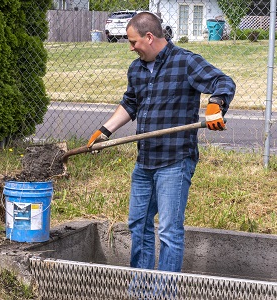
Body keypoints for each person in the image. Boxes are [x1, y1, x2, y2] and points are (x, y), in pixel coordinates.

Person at [87, 12, 236, 273]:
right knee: (138, 224)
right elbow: (130, 103)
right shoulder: (137, 68)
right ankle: (142, 288)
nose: (131, 48)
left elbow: (223, 81)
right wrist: (104, 130)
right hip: (145, 161)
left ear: (149, 36)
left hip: (175, 161)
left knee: (168, 231)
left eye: (133, 42)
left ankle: (164, 292)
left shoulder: (186, 62)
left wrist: (216, 104)